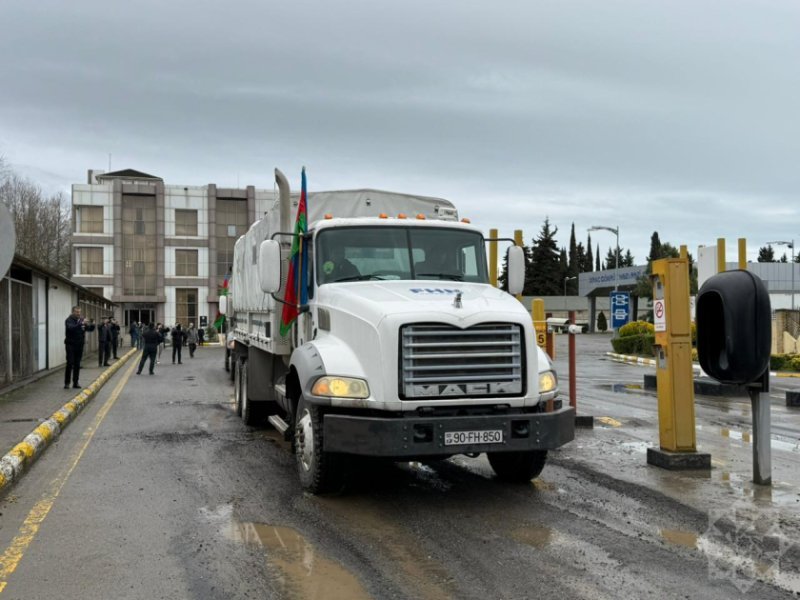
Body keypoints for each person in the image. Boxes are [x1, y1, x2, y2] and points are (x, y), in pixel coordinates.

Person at [64, 306, 95, 389]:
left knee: (77, 364)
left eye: (79, 312)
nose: (78, 314)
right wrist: (80, 323)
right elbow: (71, 328)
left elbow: (89, 329)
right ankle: (67, 383)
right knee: (70, 363)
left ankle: (75, 382)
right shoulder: (69, 320)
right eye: (77, 312)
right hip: (70, 345)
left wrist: (92, 324)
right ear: (73, 312)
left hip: (79, 345)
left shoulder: (81, 321)